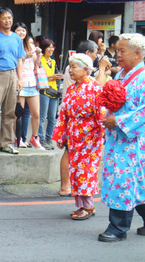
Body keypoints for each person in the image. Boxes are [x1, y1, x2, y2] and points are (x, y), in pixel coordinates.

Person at [98, 33, 145, 242]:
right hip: (119, 138)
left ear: (137, 53)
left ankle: (118, 227)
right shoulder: (121, 75)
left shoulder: (142, 77)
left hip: (135, 139)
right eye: (117, 50)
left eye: (122, 50)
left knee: (124, 181)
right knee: (136, 182)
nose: (118, 55)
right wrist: (103, 111)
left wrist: (118, 121)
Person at [53, 54, 105, 221]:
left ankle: (88, 205)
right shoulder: (72, 88)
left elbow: (101, 115)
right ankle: (83, 205)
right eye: (70, 67)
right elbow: (64, 114)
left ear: (85, 70)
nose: (71, 70)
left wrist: (101, 135)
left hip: (90, 138)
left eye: (74, 67)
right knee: (76, 171)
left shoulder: (95, 88)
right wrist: (62, 135)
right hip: (75, 137)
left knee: (86, 171)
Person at [0, 7, 24, 154]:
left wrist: (20, 79)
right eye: (4, 18)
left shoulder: (16, 38)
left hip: (12, 75)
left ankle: (6, 143)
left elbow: (19, 59)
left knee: (9, 111)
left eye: (9, 18)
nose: (7, 20)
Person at [12, 22, 43, 149]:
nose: (21, 33)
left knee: (36, 113)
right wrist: (24, 57)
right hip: (20, 82)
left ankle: (35, 137)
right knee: (18, 113)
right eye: (18, 30)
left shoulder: (30, 45)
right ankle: (17, 137)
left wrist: (39, 54)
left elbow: (37, 64)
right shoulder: (13, 45)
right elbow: (13, 62)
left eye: (23, 30)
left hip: (32, 83)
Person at [38, 38, 63, 152]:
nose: (51, 49)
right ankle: (40, 139)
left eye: (52, 47)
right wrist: (53, 76)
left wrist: (55, 76)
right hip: (44, 90)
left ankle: (49, 139)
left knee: (52, 118)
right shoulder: (40, 60)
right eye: (49, 47)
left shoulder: (52, 61)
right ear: (43, 48)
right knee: (42, 117)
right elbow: (39, 75)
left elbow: (55, 74)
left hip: (53, 90)